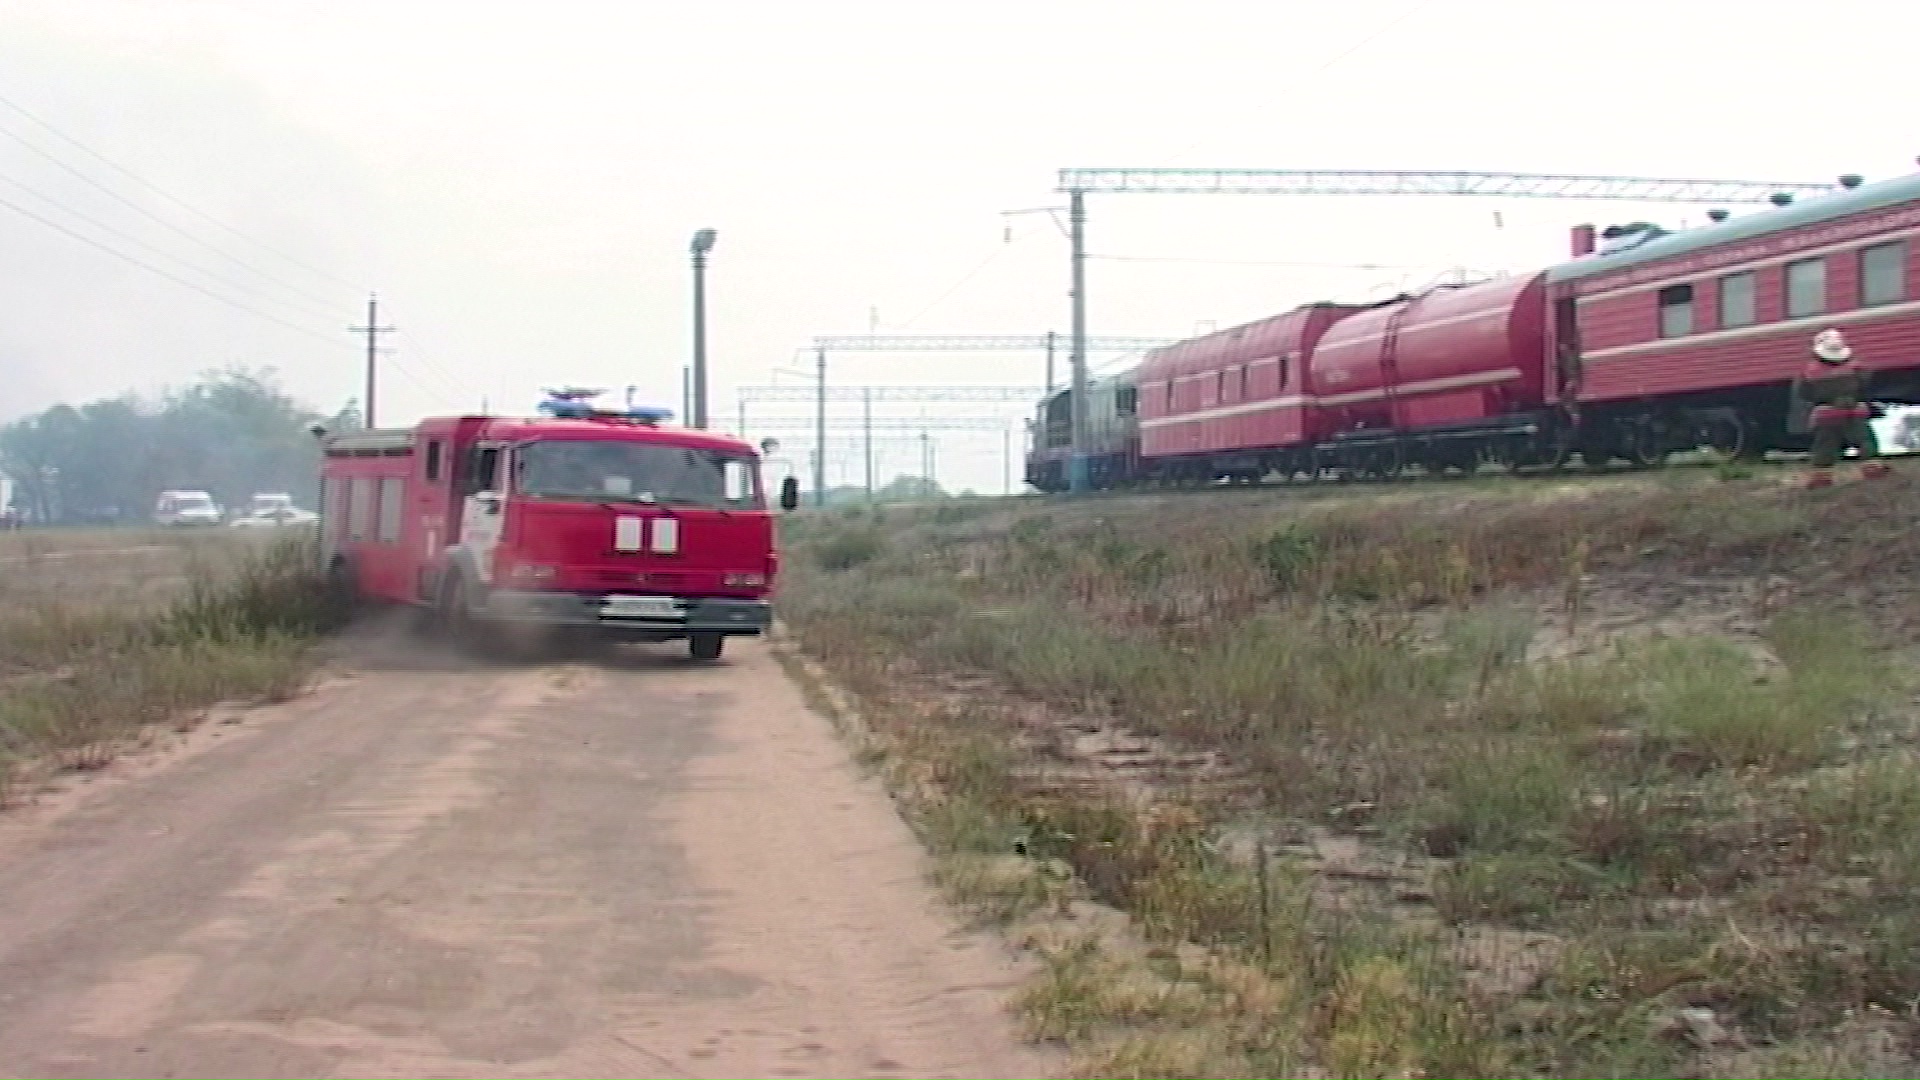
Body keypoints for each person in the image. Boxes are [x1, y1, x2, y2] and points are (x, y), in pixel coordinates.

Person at [1794, 328, 1890, 488]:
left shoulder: (1809, 371)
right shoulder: (1856, 367)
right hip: (1855, 411)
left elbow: (1803, 393)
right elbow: (1866, 384)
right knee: (1865, 441)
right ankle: (1873, 470)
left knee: (1825, 446)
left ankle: (1821, 478)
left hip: (1826, 414)